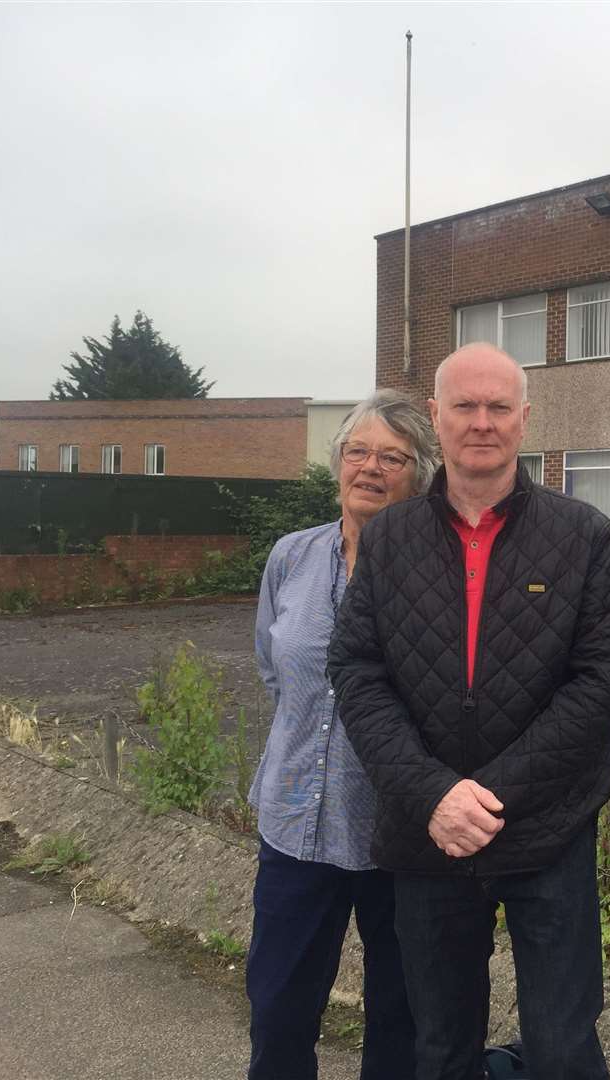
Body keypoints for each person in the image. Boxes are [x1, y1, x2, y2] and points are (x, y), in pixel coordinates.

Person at [327, 342, 610, 1080]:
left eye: (499, 407)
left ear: (525, 420)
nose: (482, 422)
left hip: (547, 831)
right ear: (436, 418)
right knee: (438, 1047)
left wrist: (491, 796)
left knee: (563, 1047)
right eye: (465, 405)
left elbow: (598, 682)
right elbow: (358, 671)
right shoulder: (391, 537)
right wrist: (434, 795)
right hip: (427, 835)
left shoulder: (582, 535)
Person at [247, 389, 436, 1080]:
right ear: (337, 464)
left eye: (394, 456)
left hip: (398, 835)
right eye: (358, 451)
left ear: (419, 475)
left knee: (399, 1022)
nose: (371, 467)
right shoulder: (290, 558)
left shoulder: (437, 574)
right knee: (277, 1012)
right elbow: (275, 666)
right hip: (294, 827)